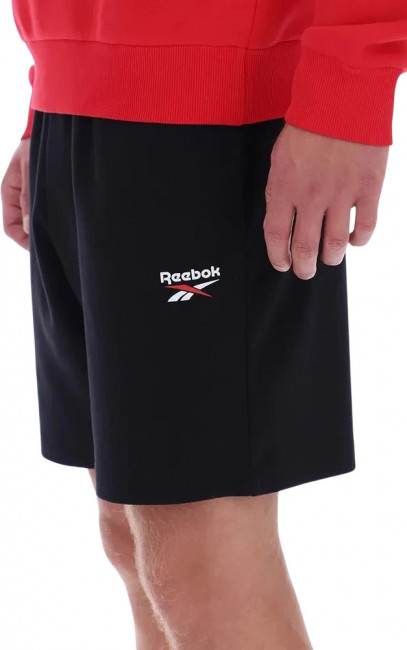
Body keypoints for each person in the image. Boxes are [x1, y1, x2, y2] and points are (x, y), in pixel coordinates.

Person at [2, 1, 406, 648]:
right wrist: (50, 94)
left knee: (195, 564)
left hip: (210, 117)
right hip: (73, 103)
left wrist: (349, 86)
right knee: (130, 535)